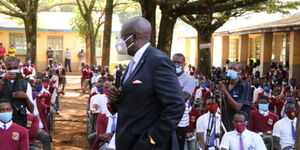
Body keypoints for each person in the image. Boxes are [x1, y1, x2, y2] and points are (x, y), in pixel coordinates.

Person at [108, 17, 185, 150]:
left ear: (134, 37)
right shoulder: (134, 63)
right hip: (128, 142)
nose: (119, 41)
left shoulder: (158, 61)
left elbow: (176, 105)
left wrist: (152, 139)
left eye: (123, 37)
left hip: (146, 145)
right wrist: (115, 98)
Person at [172, 53, 197, 150]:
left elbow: (183, 98)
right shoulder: (166, 76)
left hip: (180, 121)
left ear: (184, 64)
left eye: (179, 62)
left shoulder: (190, 79)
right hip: (163, 118)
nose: (176, 64)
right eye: (174, 62)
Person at [217, 62, 252, 131]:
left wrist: (225, 92)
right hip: (225, 123)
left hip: (239, 124)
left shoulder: (244, 86)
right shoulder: (225, 85)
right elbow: (221, 106)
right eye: (230, 68)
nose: (232, 71)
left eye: (235, 69)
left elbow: (238, 107)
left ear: (240, 72)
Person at [0, 57, 34, 127]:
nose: (12, 70)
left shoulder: (25, 84)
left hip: (20, 121)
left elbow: (31, 109)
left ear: (18, 67)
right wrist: (3, 81)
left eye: (15, 67)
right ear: (5, 68)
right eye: (9, 68)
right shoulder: (1, 81)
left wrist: (25, 97)